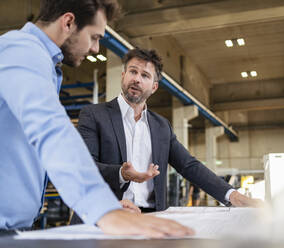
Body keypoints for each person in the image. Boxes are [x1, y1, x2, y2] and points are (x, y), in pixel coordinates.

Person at [0, 0, 193, 238]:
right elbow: (52, 132)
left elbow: (29, 155)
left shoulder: (36, 61)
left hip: (16, 228)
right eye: (94, 37)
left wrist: (110, 205)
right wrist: (104, 210)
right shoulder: (22, 52)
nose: (95, 49)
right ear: (68, 22)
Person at [71, 48, 262, 224]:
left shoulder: (161, 126)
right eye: (132, 71)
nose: (137, 79)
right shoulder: (94, 115)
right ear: (123, 76)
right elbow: (85, 166)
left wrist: (232, 196)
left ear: (154, 87)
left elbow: (189, 166)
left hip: (150, 220)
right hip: (103, 217)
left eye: (145, 75)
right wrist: (121, 174)